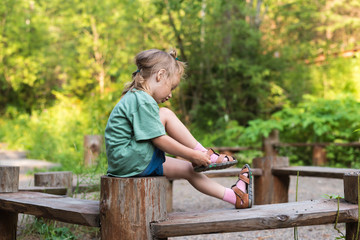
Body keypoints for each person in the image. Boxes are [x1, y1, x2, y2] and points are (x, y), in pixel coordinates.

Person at [105, 49, 252, 209]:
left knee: (189, 170)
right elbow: (159, 139)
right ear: (160, 75)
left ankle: (236, 196)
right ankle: (204, 153)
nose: (170, 95)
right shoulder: (142, 100)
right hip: (131, 159)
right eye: (172, 87)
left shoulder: (136, 97)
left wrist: (192, 159)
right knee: (165, 114)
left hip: (128, 163)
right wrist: (192, 155)